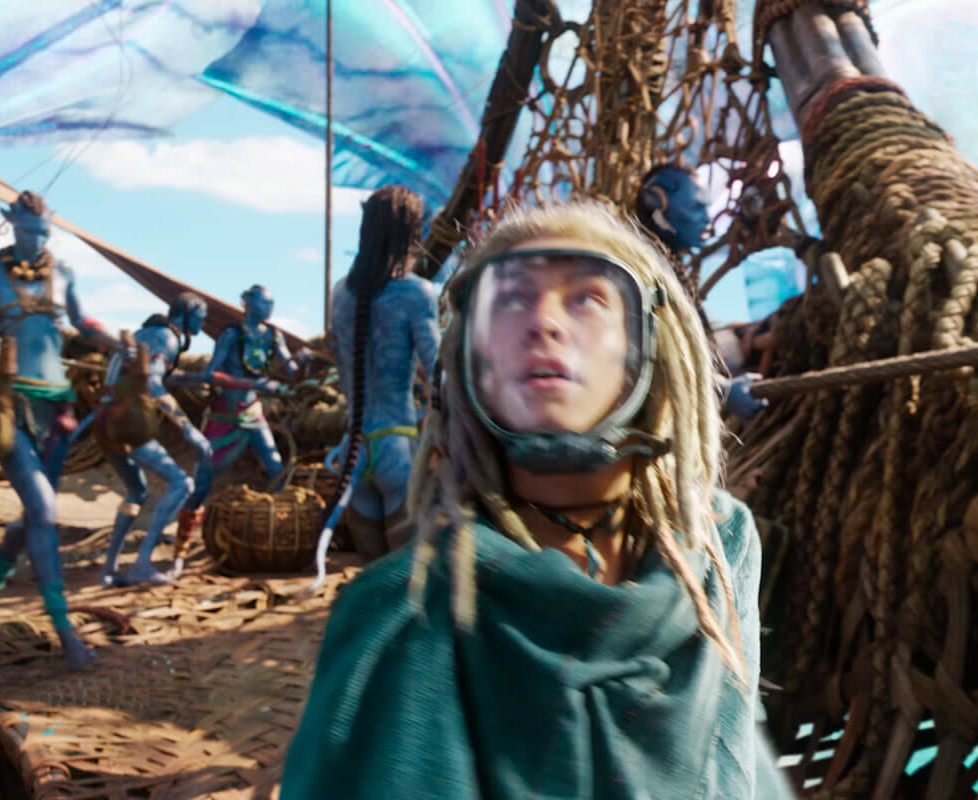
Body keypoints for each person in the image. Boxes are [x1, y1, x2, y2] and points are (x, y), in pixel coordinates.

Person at [282, 200, 793, 799]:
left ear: (653, 340)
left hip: (361, 442)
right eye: (510, 300)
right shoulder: (391, 618)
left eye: (587, 298)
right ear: (470, 357)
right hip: (397, 448)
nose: (544, 321)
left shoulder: (720, 542)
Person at [0, 191, 120, 669]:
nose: (36, 240)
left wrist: (114, 342)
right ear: (10, 224)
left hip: (58, 409)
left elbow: (80, 321)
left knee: (35, 513)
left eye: (43, 233)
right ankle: (64, 630)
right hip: (9, 405)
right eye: (28, 231)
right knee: (43, 510)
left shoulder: (65, 273)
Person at [325, 186, 440, 558]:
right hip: (398, 447)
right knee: (405, 576)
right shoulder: (417, 293)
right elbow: (439, 372)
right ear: (412, 232)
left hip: (353, 450)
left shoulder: (340, 294)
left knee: (374, 574)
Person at [95, 294, 214, 585]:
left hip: (104, 420)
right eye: (201, 316)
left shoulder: (144, 334)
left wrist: (197, 379)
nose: (203, 322)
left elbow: (152, 376)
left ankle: (109, 570)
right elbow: (153, 383)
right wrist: (187, 428)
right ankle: (143, 563)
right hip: (128, 422)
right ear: (189, 313)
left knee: (137, 492)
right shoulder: (167, 338)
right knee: (183, 483)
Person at [191, 284, 294, 505]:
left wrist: (303, 362)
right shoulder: (231, 335)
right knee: (205, 472)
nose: (269, 307)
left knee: (275, 464)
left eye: (271, 303)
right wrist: (254, 384)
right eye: (264, 302)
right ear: (248, 304)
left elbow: (291, 367)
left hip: (252, 412)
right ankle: (188, 518)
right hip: (225, 412)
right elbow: (210, 374)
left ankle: (280, 514)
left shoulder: (274, 336)